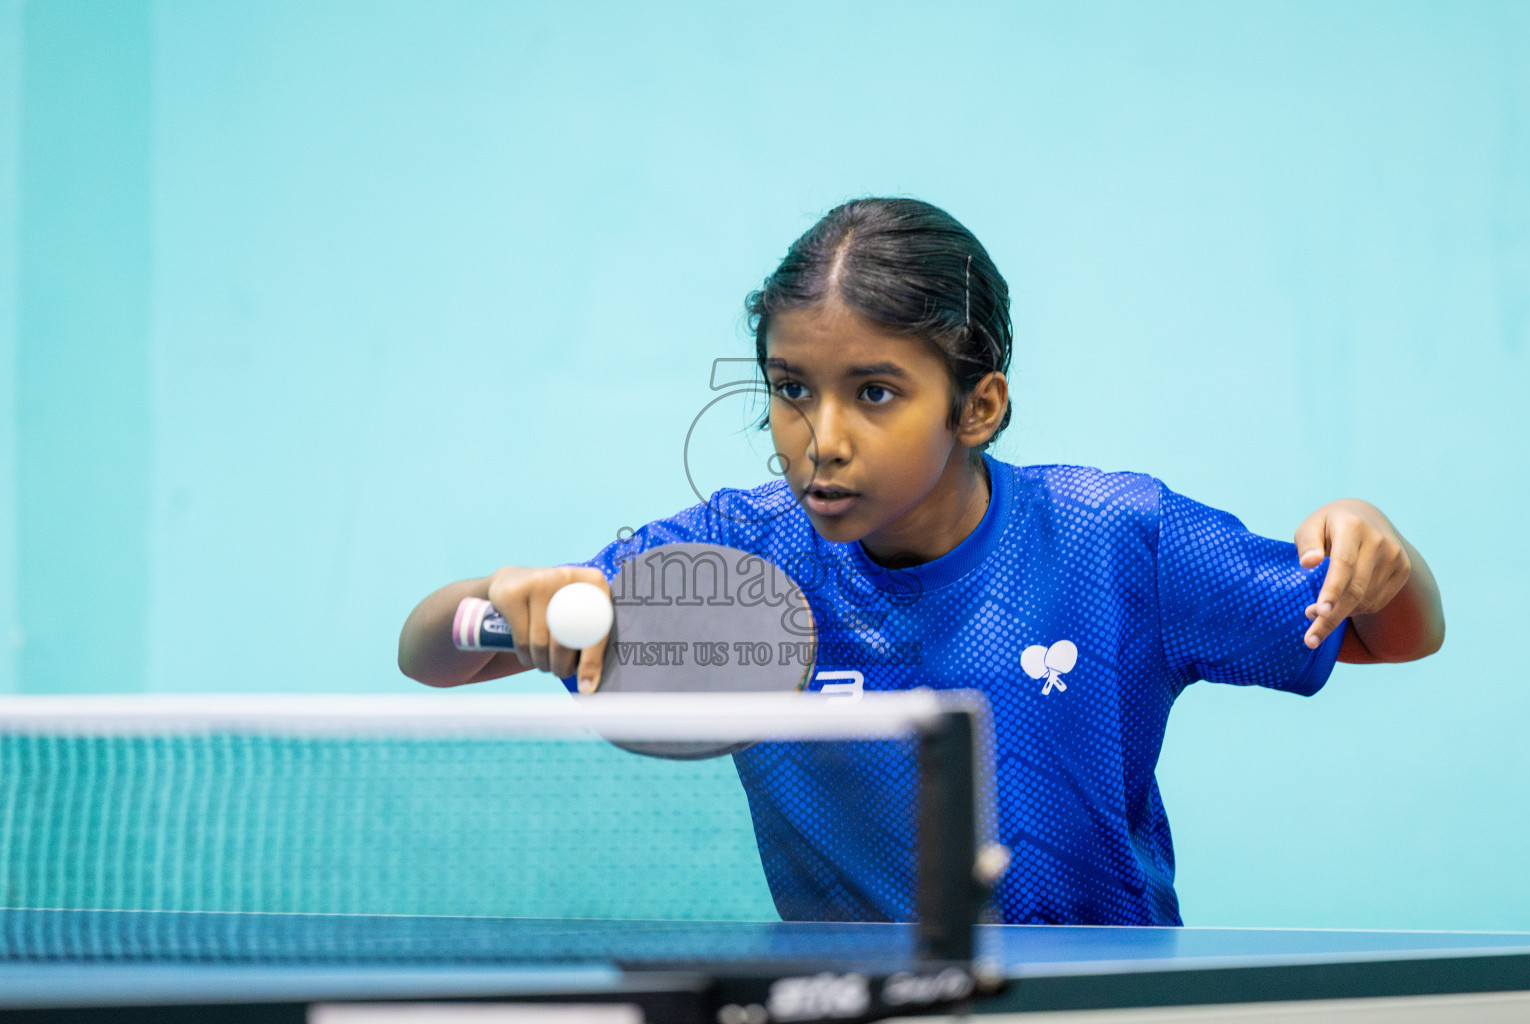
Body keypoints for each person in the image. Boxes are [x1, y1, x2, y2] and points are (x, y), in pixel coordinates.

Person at [398, 197, 1444, 926]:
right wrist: (503, 600)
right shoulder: (731, 554)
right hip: (846, 1003)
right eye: (791, 389)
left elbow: (1387, 636)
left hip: (1102, 1004)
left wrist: (1379, 552)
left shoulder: (1113, 539)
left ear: (977, 405)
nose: (824, 435)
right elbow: (432, 651)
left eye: (876, 392)